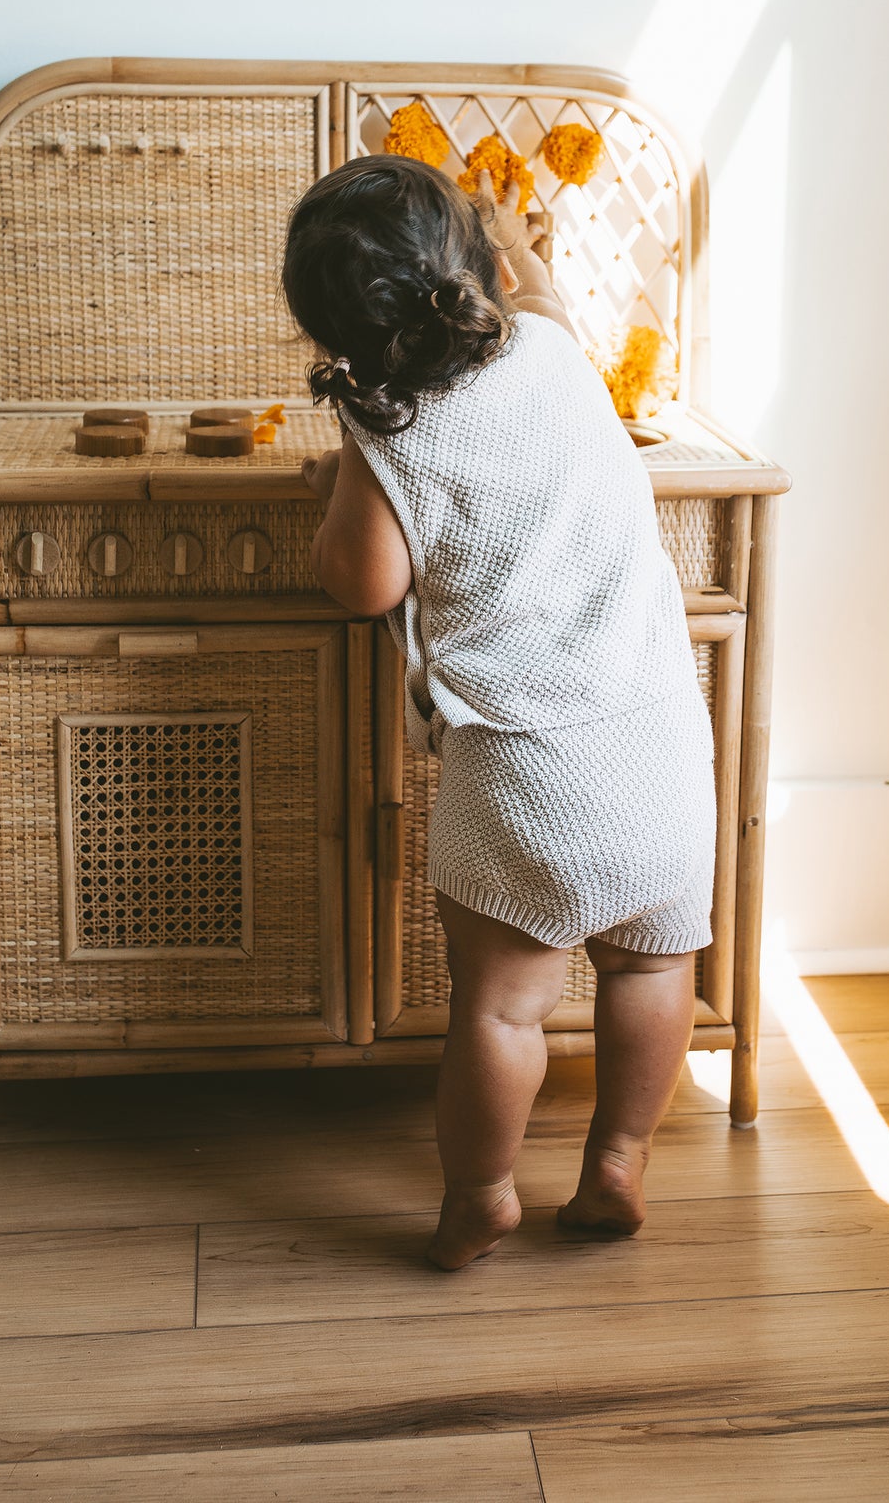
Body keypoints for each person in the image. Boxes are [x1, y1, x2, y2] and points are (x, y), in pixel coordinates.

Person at [282, 154, 715, 1270]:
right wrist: (513, 246)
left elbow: (361, 582)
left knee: (504, 1006)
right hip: (661, 739)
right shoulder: (557, 354)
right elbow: (536, 295)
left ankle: (479, 1192)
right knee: (651, 964)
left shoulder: (391, 435)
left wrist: (347, 464)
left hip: (530, 768)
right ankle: (617, 1158)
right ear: (470, 275)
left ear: (331, 329)